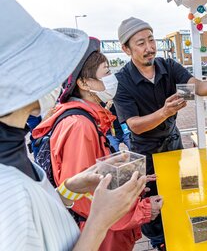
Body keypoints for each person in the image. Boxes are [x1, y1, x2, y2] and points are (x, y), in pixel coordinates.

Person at [0, 0, 147, 250]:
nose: (55, 77)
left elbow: (43, 219)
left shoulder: (13, 153)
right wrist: (101, 221)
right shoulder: (8, 192)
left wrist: (69, 189)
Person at [113, 17, 207, 249]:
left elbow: (195, 85)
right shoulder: (122, 81)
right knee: (152, 203)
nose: (149, 48)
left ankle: (180, 238)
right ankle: (159, 243)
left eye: (151, 40)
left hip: (173, 142)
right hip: (145, 151)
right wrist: (164, 112)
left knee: (179, 192)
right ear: (125, 49)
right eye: (140, 43)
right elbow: (134, 125)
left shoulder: (168, 66)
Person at [32, 40, 163, 251]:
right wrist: (141, 210)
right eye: (106, 72)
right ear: (84, 83)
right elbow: (85, 199)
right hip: (100, 240)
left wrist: (128, 178)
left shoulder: (85, 118)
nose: (112, 78)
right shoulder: (79, 126)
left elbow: (93, 175)